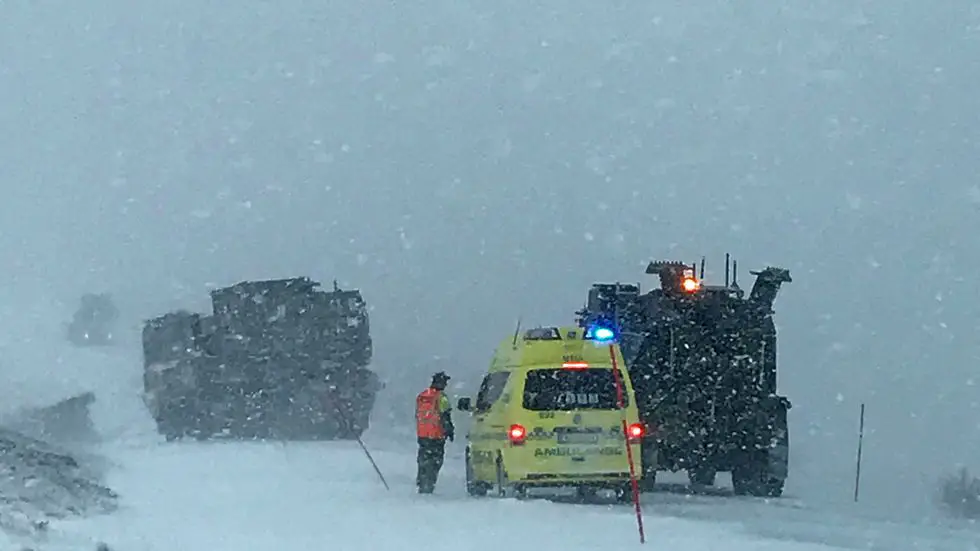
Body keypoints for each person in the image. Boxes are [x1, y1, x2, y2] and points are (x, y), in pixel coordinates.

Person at [416, 371, 454, 494]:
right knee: (435, 460)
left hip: (422, 434)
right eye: (445, 382)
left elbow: (417, 415)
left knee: (424, 458)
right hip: (436, 435)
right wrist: (449, 430)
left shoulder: (422, 396)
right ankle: (429, 484)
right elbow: (445, 416)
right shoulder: (441, 398)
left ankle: (421, 481)